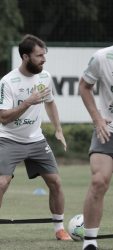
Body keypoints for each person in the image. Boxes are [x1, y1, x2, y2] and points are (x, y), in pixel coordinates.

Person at [0, 34, 72, 244]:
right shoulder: (8, 81)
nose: (44, 59)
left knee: (56, 182)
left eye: (44, 55)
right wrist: (28, 102)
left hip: (36, 140)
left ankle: (59, 229)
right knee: (2, 183)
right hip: (10, 139)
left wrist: (58, 129)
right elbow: (3, 118)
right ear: (25, 57)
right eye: (39, 56)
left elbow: (50, 103)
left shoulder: (44, 77)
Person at [79, 46, 113, 250]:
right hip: (108, 129)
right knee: (99, 180)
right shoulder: (102, 57)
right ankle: (90, 242)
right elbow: (84, 86)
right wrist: (97, 118)